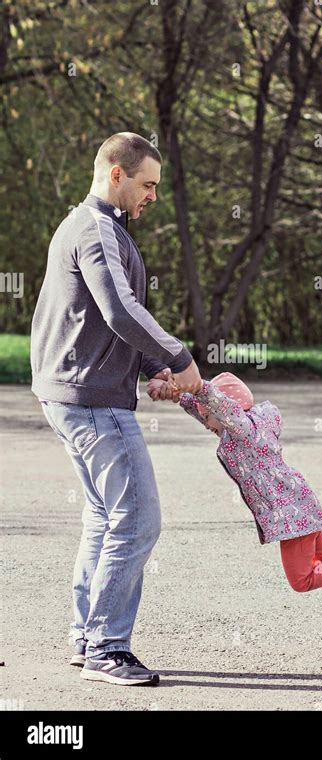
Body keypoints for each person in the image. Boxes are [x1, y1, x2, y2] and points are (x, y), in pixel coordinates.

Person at [30, 132, 202, 686]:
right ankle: (107, 647)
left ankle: (88, 639)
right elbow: (121, 311)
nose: (153, 194)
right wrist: (179, 355)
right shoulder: (97, 228)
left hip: (78, 393)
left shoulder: (97, 227)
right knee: (138, 519)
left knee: (105, 519)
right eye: (147, 184)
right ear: (117, 175)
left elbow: (100, 323)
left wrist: (154, 372)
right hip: (92, 402)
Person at [148, 372, 322, 601]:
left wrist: (199, 386)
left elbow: (219, 406)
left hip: (288, 512)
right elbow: (209, 409)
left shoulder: (244, 430)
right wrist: (178, 394)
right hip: (298, 502)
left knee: (302, 579)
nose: (206, 424)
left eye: (208, 417)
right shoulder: (248, 426)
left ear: (225, 410)